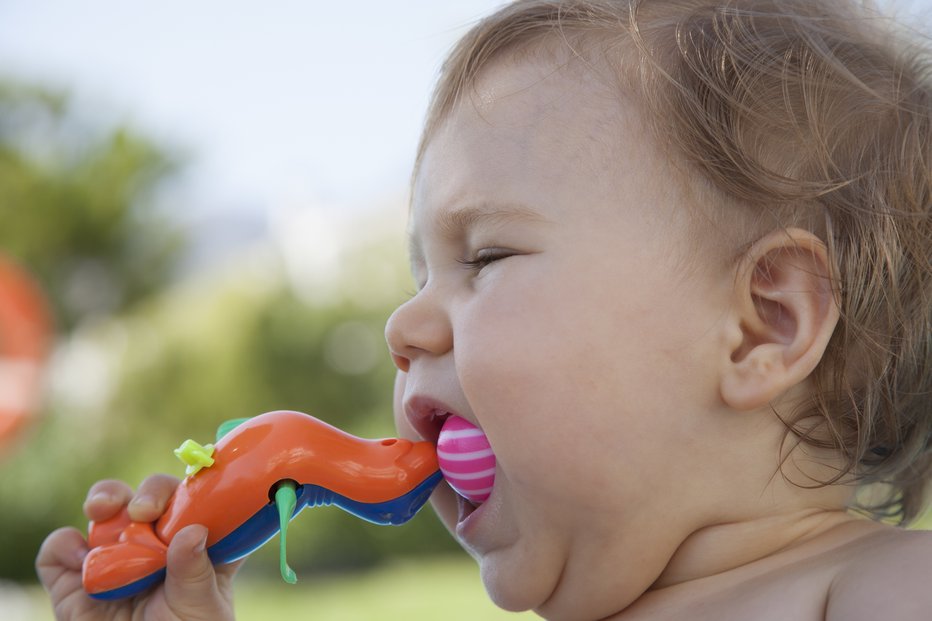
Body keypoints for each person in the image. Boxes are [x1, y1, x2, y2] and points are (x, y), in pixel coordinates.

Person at [37, 0, 932, 619]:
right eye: (418, 273)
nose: (403, 324)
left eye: (488, 256)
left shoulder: (883, 591)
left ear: (762, 325)